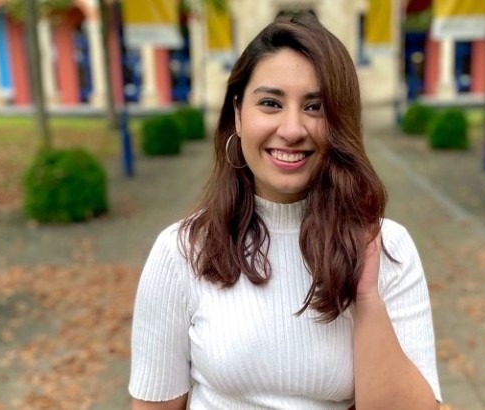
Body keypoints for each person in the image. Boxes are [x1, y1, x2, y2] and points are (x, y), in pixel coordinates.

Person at [130, 12, 441, 410]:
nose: (292, 129)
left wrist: (366, 297)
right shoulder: (183, 251)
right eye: (271, 103)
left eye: (315, 107)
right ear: (238, 114)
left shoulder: (388, 248)